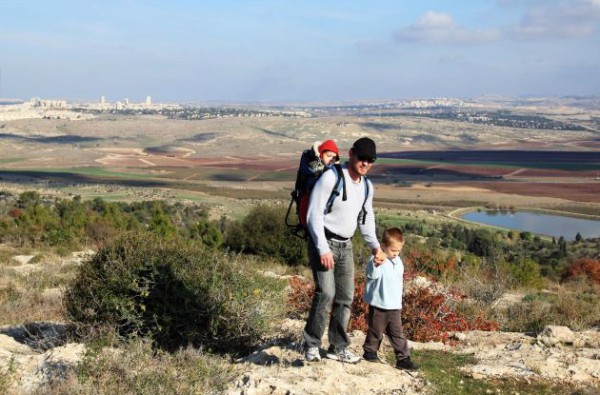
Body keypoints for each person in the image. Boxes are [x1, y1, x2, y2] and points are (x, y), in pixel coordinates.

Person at [303, 137, 386, 363]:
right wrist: (322, 248)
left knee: (345, 297)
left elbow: (366, 220)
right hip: (324, 242)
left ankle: (337, 347)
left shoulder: (367, 186)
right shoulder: (332, 177)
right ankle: (311, 344)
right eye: (362, 158)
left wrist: (375, 247)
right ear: (351, 154)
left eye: (370, 160)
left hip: (346, 245)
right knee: (326, 292)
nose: (365, 163)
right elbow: (313, 215)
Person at [362, 227, 419, 371]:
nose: (395, 253)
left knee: (397, 333)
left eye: (398, 250)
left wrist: (399, 301)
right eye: (393, 250)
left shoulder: (398, 261)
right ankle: (370, 352)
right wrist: (375, 264)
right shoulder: (377, 260)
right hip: (379, 304)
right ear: (383, 246)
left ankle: (403, 358)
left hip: (394, 305)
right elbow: (372, 275)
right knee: (375, 330)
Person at [295, 140, 340, 226]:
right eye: (329, 156)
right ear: (320, 154)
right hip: (309, 206)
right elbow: (314, 168)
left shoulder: (330, 170)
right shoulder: (312, 165)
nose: (331, 159)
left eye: (334, 158)